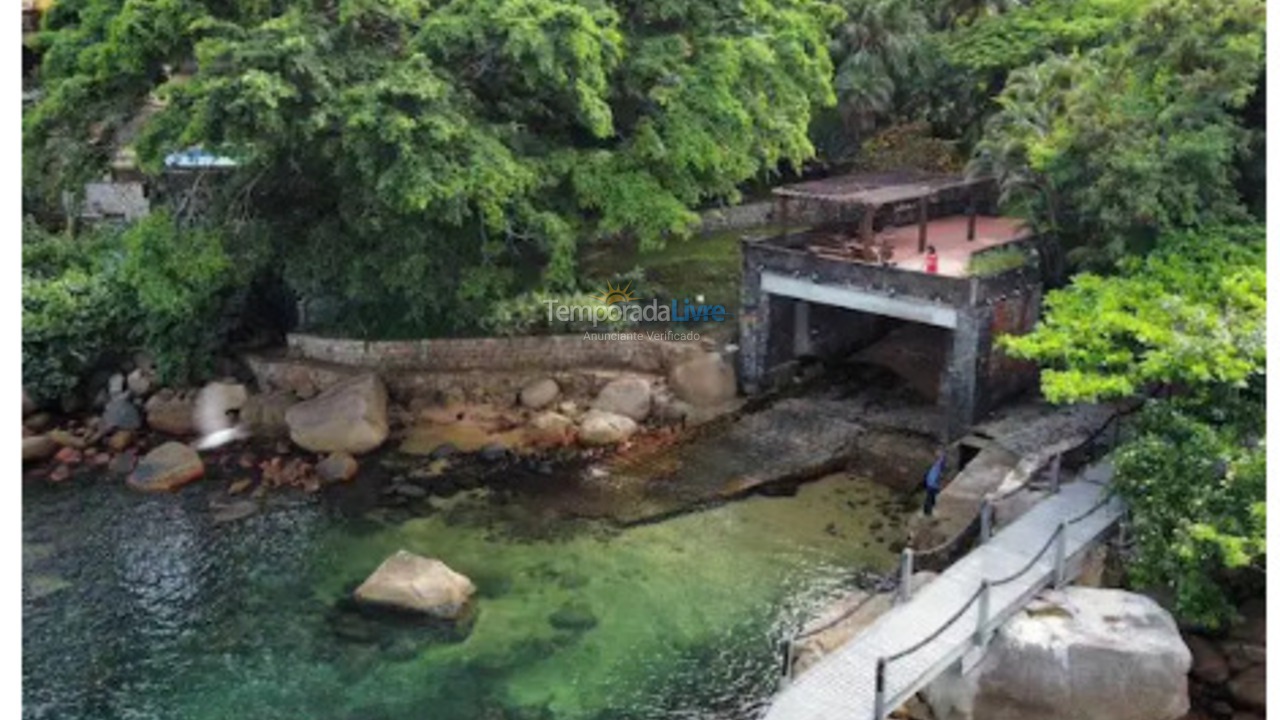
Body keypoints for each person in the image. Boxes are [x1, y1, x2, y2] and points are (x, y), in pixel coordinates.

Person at [922, 447, 946, 516]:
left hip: (932, 484)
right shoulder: (936, 465)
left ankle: (928, 512)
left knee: (930, 498)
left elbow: (942, 460)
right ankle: (928, 512)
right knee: (931, 498)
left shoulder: (938, 464)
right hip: (931, 484)